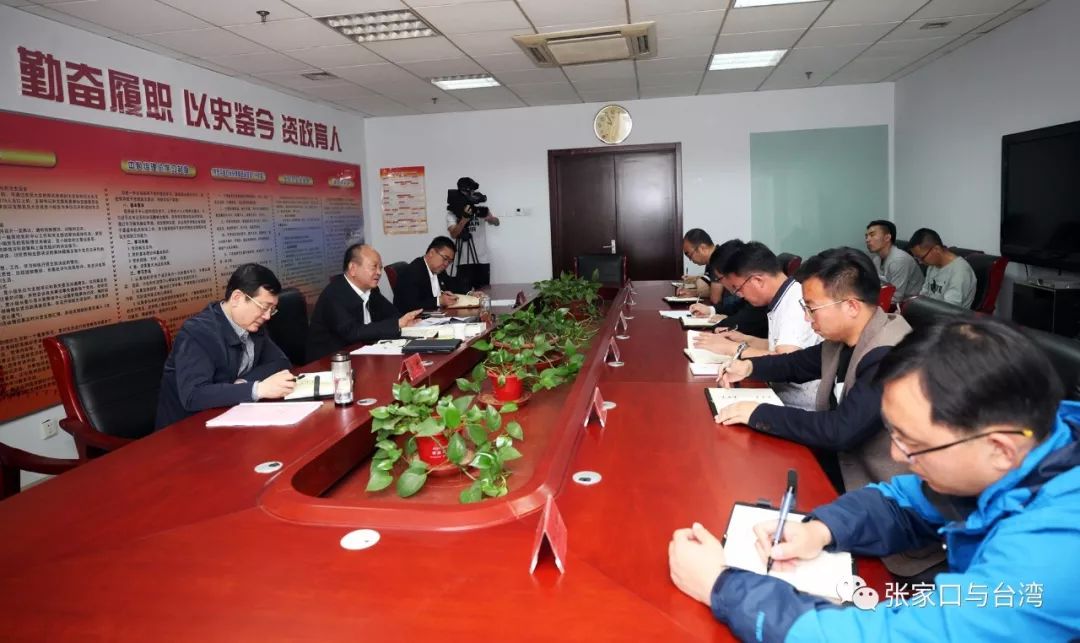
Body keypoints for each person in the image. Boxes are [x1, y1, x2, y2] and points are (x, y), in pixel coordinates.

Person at [669, 317, 1080, 641]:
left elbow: (897, 636)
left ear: (1000, 448)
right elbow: (902, 503)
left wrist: (723, 586)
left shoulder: (1055, 551)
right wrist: (819, 529)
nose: (896, 455)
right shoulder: (1034, 444)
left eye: (913, 443)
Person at [713, 247, 944, 579]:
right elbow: (799, 363)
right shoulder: (848, 336)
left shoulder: (889, 354)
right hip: (849, 476)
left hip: (890, 508)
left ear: (851, 306)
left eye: (812, 308)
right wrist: (749, 365)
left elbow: (841, 430)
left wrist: (758, 413)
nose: (808, 319)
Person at [155, 263, 294, 430]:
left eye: (272, 309)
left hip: (230, 418)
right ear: (237, 298)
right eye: (264, 307)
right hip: (185, 431)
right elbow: (193, 396)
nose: (267, 316)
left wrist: (243, 383)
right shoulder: (197, 332)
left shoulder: (253, 325)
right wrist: (257, 389)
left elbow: (281, 362)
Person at [693, 241, 822, 409]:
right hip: (777, 394)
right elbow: (779, 346)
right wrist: (746, 339)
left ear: (758, 280)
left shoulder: (795, 304)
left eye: (738, 288)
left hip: (796, 406)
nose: (739, 295)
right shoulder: (782, 297)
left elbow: (785, 361)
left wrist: (734, 349)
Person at [306, 244, 422, 361]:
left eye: (380, 268)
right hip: (329, 361)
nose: (379, 272)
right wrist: (397, 324)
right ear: (353, 269)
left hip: (361, 353)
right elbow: (352, 332)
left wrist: (406, 322)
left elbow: (392, 314)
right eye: (373, 267)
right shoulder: (334, 295)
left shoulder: (372, 290)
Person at [688, 239, 769, 339]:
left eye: (719, 278)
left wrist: (728, 320)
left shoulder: (763, 297)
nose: (719, 283)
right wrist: (711, 310)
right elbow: (736, 307)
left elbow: (747, 319)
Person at [446, 177, 500, 290]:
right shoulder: (453, 213)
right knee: (464, 294)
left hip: (482, 259)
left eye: (472, 191)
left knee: (484, 293)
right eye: (468, 191)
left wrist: (491, 219)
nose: (471, 193)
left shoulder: (479, 210)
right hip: (463, 261)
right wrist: (464, 219)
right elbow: (453, 234)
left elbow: (497, 222)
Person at [392, 236, 469, 312]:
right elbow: (411, 305)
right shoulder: (412, 272)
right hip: (416, 318)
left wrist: (469, 293)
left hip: (437, 314)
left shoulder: (438, 269)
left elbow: (451, 284)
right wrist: (439, 301)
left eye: (449, 261)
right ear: (431, 253)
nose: (446, 264)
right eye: (445, 258)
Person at [908, 228, 977, 308]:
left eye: (921, 258)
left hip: (948, 314)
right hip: (929, 311)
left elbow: (949, 308)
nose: (920, 262)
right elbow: (924, 294)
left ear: (936, 249)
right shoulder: (932, 266)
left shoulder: (961, 271)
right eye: (917, 258)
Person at [865, 219, 923, 304]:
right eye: (866, 236)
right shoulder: (876, 259)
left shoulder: (899, 260)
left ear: (887, 237)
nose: (867, 240)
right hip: (888, 301)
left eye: (872, 235)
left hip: (910, 305)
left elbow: (896, 298)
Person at [679, 228, 725, 306]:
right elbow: (711, 289)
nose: (690, 260)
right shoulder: (715, 257)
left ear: (702, 248)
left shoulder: (718, 260)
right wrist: (692, 293)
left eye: (690, 255)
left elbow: (715, 300)